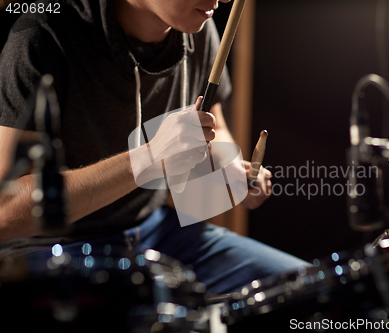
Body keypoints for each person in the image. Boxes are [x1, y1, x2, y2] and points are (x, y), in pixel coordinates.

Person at [0, 0, 308, 295]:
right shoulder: (41, 38)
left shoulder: (199, 26)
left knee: (312, 296)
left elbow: (215, 126)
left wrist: (232, 168)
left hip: (157, 232)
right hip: (54, 250)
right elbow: (7, 211)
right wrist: (149, 158)